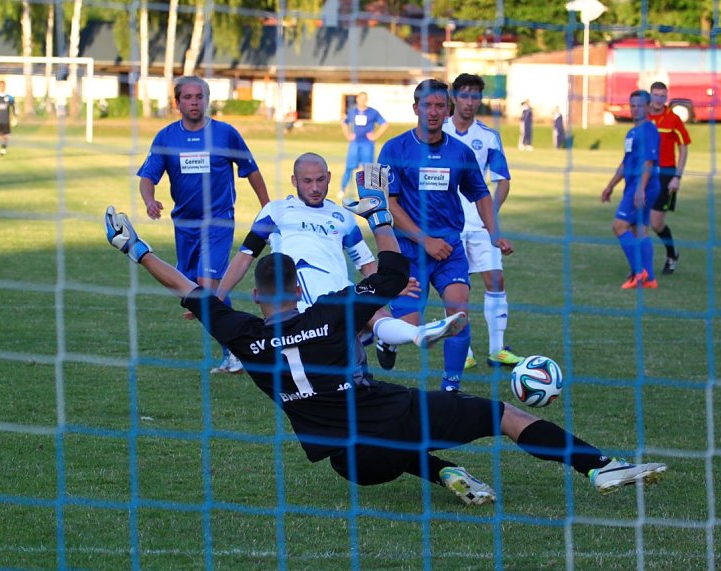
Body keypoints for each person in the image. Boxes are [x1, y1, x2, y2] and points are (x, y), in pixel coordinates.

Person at [103, 173, 668, 506]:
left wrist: (134, 249)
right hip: (383, 416)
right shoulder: (329, 311)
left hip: (351, 466)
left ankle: (445, 471)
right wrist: (377, 215)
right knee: (497, 414)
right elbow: (393, 274)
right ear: (299, 287)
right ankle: (598, 465)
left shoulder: (244, 339)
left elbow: (189, 289)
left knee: (393, 440)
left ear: (254, 297)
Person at [216, 153, 465, 357]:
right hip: (301, 291)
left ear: (330, 178)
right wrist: (217, 298)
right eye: (307, 181)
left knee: (375, 315)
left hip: (339, 286)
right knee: (339, 350)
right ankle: (389, 339)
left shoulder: (343, 217)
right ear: (294, 180)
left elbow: (366, 264)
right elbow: (245, 256)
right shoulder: (276, 211)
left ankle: (417, 334)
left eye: (321, 180)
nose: (315, 188)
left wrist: (389, 286)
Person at [375, 79, 513, 392]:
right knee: (408, 327)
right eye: (428, 105)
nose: (434, 112)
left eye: (440, 106)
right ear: (415, 108)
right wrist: (424, 240)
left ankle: (451, 385)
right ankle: (386, 339)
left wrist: (494, 234)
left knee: (459, 309)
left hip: (450, 250)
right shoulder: (394, 149)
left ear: (448, 109)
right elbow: (388, 202)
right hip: (408, 253)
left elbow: (481, 194)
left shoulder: (460, 153)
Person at [137, 75, 270, 373]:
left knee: (208, 289)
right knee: (190, 291)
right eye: (188, 97)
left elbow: (252, 171)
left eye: (199, 97)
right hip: (184, 226)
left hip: (218, 222)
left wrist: (267, 209)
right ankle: (238, 347)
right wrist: (149, 200)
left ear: (207, 100)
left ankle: (239, 353)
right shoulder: (166, 138)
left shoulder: (225, 134)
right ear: (177, 102)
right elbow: (148, 177)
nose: (194, 102)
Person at [442, 73, 524, 370]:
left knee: (496, 280)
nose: (470, 102)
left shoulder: (488, 136)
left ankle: (497, 350)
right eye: (464, 95)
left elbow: (503, 181)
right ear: (454, 97)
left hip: (478, 224)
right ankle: (463, 351)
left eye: (476, 96)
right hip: (447, 223)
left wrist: (490, 214)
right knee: (455, 287)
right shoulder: (440, 131)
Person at [601, 90, 661, 289]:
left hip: (643, 185)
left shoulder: (649, 130)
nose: (635, 109)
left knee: (619, 226)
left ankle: (639, 272)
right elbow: (626, 163)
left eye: (640, 105)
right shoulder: (632, 132)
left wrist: (640, 189)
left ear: (648, 107)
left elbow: (649, 162)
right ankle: (650, 278)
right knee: (639, 229)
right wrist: (610, 186)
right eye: (632, 105)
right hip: (635, 185)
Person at [648, 81, 690, 275]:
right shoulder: (643, 116)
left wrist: (677, 177)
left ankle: (672, 254)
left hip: (665, 174)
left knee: (656, 223)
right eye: (655, 95)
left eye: (662, 95)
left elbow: (683, 148)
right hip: (645, 173)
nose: (658, 99)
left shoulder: (673, 119)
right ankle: (639, 265)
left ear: (666, 97)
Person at [338, 92, 389, 199]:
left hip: (367, 144)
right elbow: (343, 122)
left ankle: (370, 193)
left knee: (369, 168)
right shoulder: (352, 112)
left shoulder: (373, 112)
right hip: (355, 143)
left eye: (365, 99)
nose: (362, 101)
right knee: (349, 167)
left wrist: (375, 135)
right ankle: (342, 189)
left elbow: (384, 124)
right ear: (357, 99)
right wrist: (347, 135)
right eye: (361, 99)